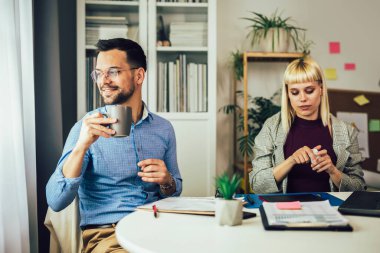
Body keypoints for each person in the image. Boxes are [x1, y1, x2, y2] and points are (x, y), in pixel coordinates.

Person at [46, 38, 182, 252]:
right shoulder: (86, 128)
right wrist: (82, 146)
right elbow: (56, 200)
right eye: (98, 73)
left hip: (156, 228)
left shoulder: (163, 129)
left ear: (139, 75)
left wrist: (166, 181)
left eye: (113, 72)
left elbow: (174, 192)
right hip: (107, 235)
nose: (103, 81)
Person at [250, 57, 366, 194]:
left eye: (309, 90)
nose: (302, 98)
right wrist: (291, 161)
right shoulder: (271, 127)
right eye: (295, 92)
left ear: (321, 89)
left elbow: (359, 188)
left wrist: (333, 170)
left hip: (331, 210)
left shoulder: (346, 131)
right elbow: (257, 185)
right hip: (285, 210)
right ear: (287, 94)